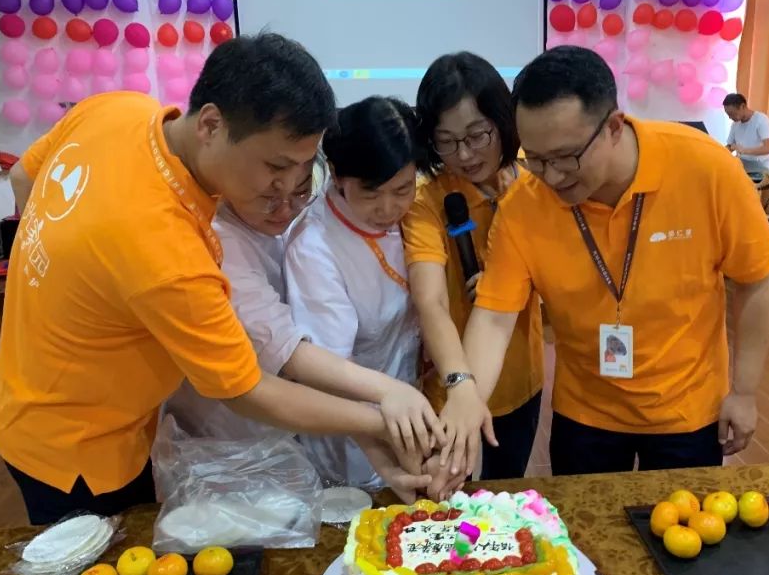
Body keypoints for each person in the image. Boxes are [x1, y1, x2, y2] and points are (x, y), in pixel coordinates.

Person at [0, 34, 437, 524]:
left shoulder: (115, 111)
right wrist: (380, 417)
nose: (286, 188)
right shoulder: (165, 246)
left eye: (302, 174)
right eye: (275, 167)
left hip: (31, 390)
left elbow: (24, 178)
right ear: (210, 124)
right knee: (106, 561)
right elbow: (247, 389)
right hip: (78, 442)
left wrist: (61, 278)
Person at [457, 46, 769, 476]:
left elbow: (755, 280)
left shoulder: (706, 169)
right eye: (534, 160)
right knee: (584, 518)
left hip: (688, 408)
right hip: (584, 412)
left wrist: (745, 391)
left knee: (681, 518)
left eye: (565, 157)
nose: (551, 176)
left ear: (612, 127)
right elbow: (495, 316)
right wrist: (467, 395)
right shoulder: (524, 205)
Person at [162, 153, 436, 503]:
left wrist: (379, 444)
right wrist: (389, 397)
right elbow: (287, 352)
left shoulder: (292, 220)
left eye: (301, 191)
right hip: (225, 443)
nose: (285, 209)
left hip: (288, 432)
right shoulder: (219, 242)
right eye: (269, 197)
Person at [285, 97, 455, 495]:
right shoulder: (314, 246)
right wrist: (389, 438)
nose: (388, 207)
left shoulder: (415, 210)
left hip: (407, 399)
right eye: (371, 193)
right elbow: (328, 370)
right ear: (338, 175)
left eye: (402, 189)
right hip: (352, 425)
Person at [405, 52, 545, 481]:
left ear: (503, 122)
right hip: (451, 389)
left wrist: (516, 283)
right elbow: (430, 302)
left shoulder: (536, 191)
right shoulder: (427, 201)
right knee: (447, 499)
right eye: (446, 141)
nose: (464, 154)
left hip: (521, 383)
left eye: (477, 135)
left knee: (505, 497)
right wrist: (460, 383)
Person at [723, 93, 769, 183]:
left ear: (743, 106)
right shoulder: (735, 124)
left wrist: (745, 151)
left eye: (732, 114)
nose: (730, 117)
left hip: (762, 170)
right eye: (728, 114)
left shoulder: (761, 120)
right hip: (743, 167)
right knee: (722, 179)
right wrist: (719, 152)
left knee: (743, 185)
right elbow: (730, 146)